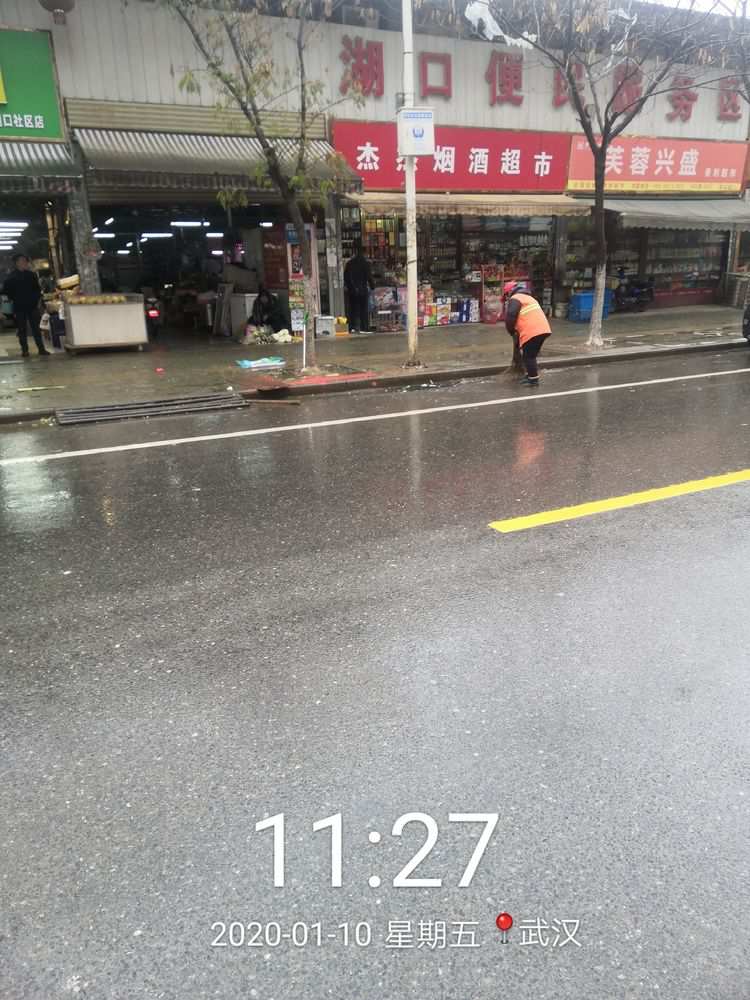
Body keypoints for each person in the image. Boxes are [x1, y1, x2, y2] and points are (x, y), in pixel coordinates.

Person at [504, 281, 551, 387]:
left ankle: (533, 380)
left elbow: (511, 315)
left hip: (532, 331)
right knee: (531, 355)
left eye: (506, 294)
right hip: (543, 329)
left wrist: (511, 331)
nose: (507, 297)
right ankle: (530, 375)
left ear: (509, 292)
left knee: (528, 356)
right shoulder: (529, 298)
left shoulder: (516, 298)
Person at [2, 254, 49, 358]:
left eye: (25, 261)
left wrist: (38, 300)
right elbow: (6, 291)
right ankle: (25, 351)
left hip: (32, 306)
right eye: (22, 261)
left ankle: (41, 349)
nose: (24, 263)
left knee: (36, 329)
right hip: (19, 307)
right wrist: (13, 298)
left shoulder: (31, 275)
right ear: (16, 263)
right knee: (22, 330)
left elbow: (37, 289)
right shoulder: (11, 277)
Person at [344, 243, 373, 334]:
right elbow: (369, 277)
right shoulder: (365, 263)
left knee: (353, 309)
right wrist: (373, 286)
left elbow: (346, 277)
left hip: (352, 291)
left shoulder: (349, 263)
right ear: (364, 253)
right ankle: (364, 328)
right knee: (363, 310)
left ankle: (352, 327)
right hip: (363, 290)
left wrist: (350, 287)